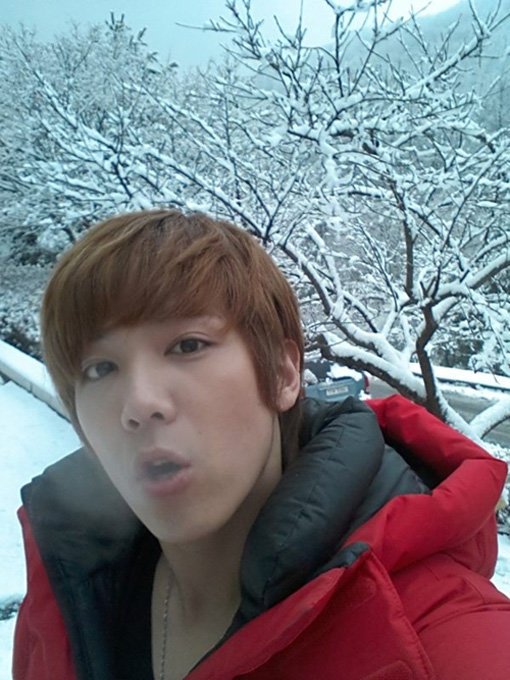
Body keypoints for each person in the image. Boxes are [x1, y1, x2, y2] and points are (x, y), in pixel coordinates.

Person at [13, 209, 510, 680]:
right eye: (99, 369)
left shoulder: (445, 644)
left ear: (283, 373)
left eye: (188, 345)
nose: (139, 405)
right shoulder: (65, 596)